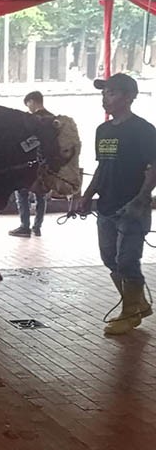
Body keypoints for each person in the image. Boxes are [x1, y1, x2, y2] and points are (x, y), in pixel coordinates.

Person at [78, 73, 156, 335]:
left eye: (111, 93)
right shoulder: (103, 130)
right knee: (109, 257)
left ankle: (129, 311)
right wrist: (87, 196)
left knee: (127, 260)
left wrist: (142, 198)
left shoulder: (144, 130)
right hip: (107, 205)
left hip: (133, 207)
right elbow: (102, 167)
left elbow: (154, 167)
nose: (105, 98)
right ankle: (137, 303)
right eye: (104, 93)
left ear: (129, 97)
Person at [9, 91, 54, 238]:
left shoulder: (34, 119)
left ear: (32, 101)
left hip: (30, 163)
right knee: (41, 195)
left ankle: (25, 226)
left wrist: (20, 148)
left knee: (22, 194)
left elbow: (35, 140)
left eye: (28, 104)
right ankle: (37, 226)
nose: (28, 107)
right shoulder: (53, 118)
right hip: (47, 163)